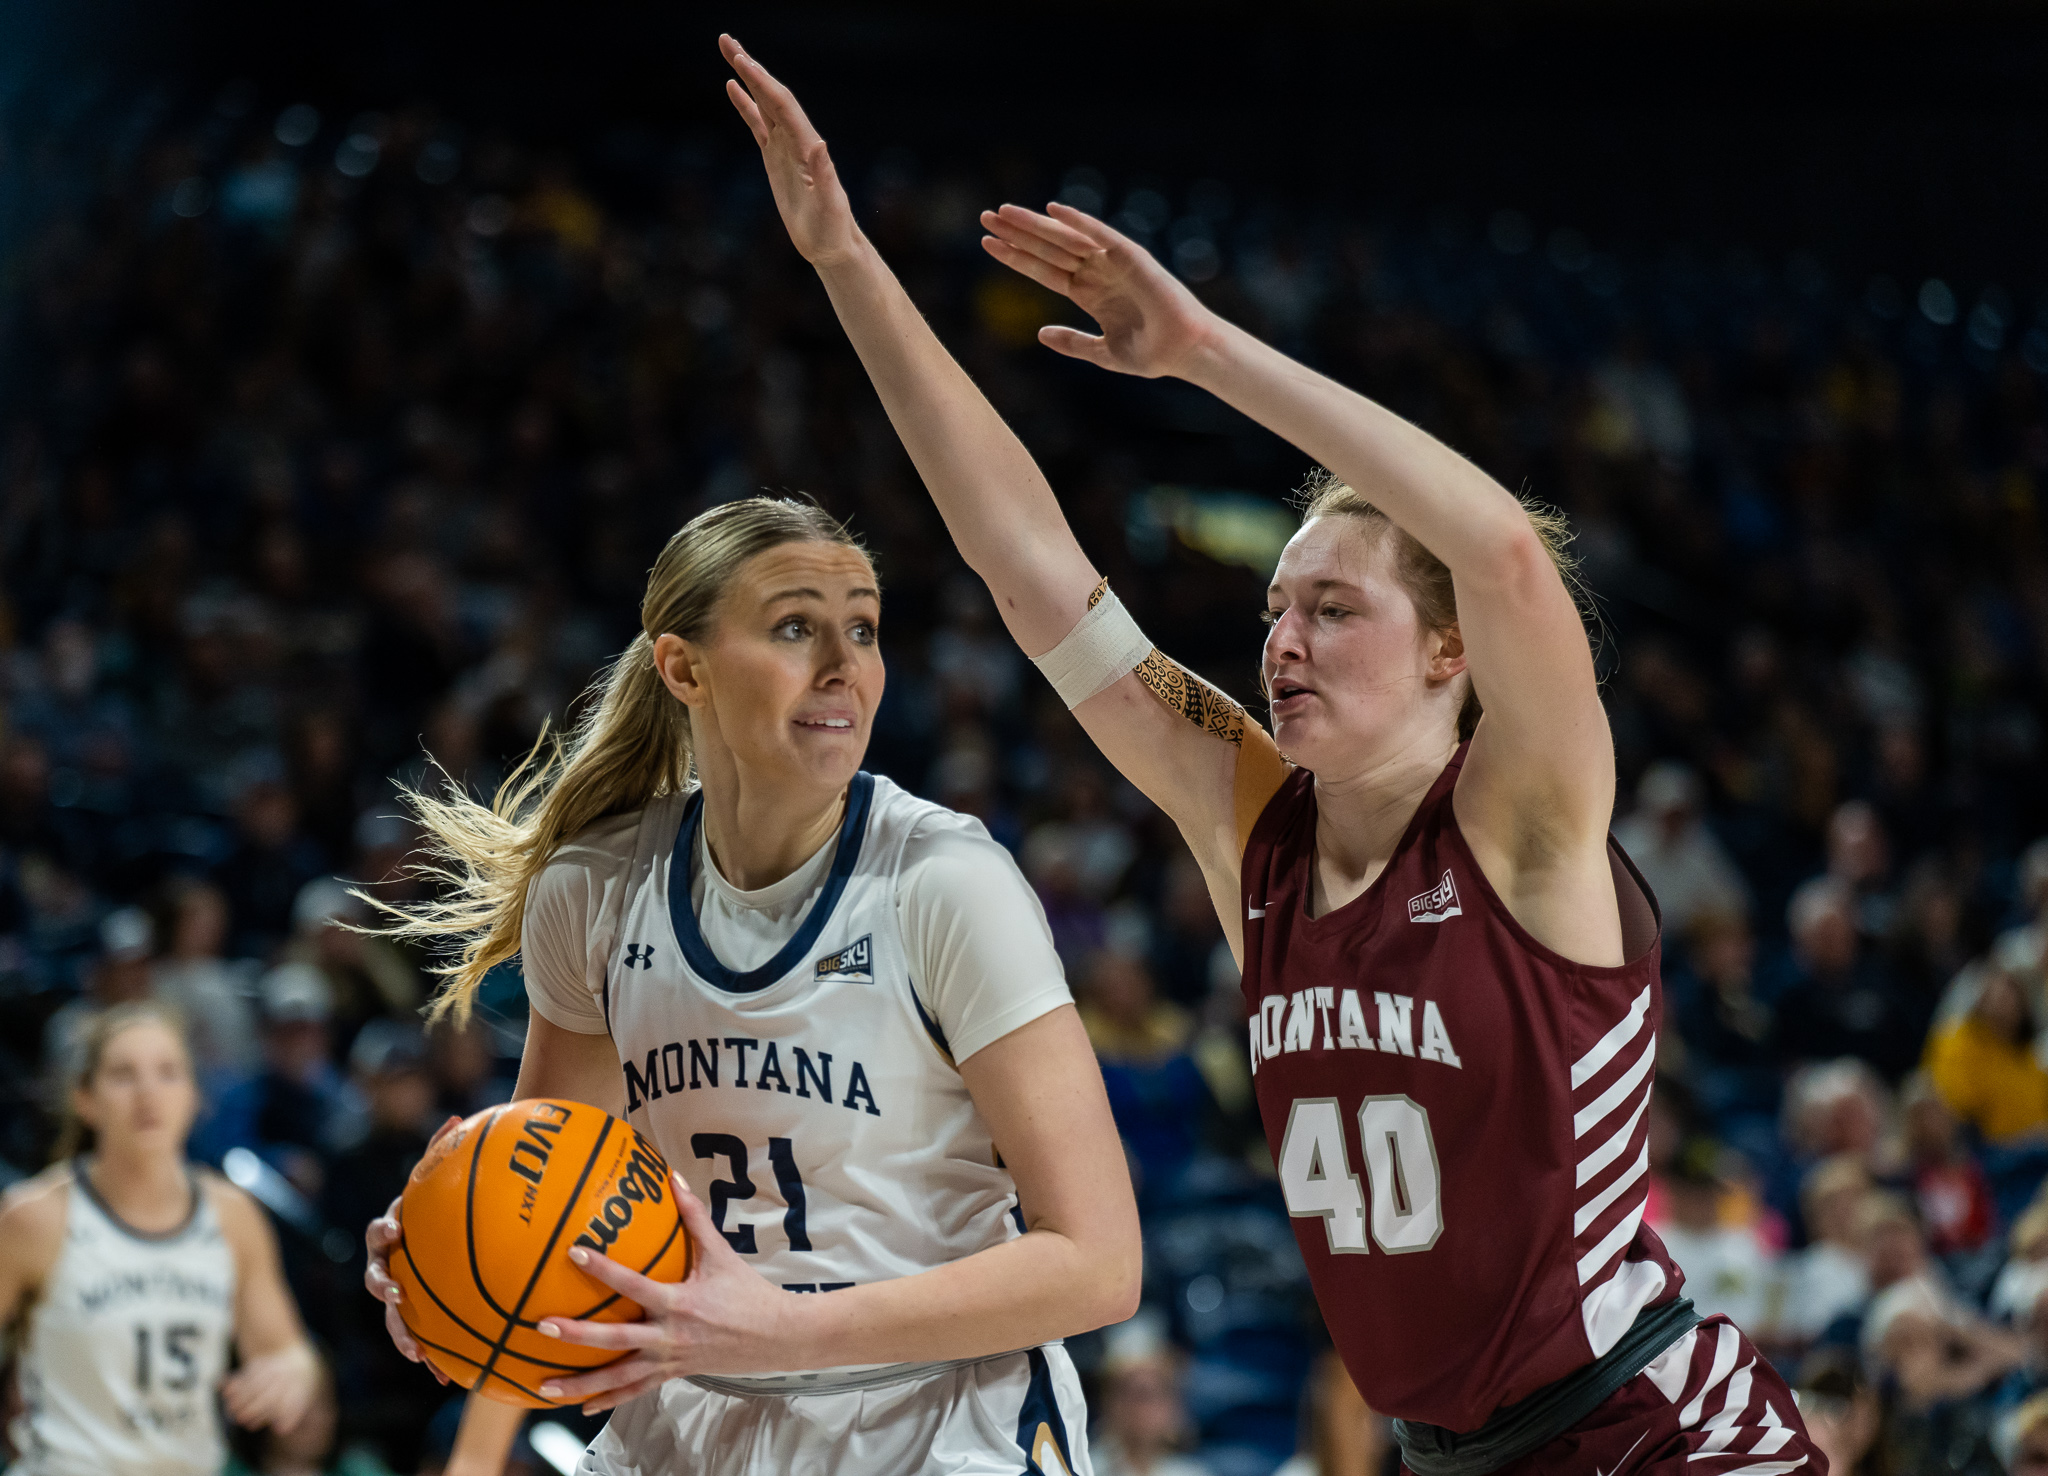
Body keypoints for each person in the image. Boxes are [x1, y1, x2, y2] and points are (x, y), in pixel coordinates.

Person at [725, 32, 1820, 1476]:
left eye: (1333, 610)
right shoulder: (1255, 830)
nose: (1282, 641)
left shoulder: (1524, 817)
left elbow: (1502, 551)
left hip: (1650, 1433)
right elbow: (1029, 570)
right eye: (1273, 611)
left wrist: (1201, 353)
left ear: (1450, 653)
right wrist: (847, 262)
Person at [358, 438, 1139, 1462]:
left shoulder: (945, 882)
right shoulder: (594, 890)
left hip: (938, 1419)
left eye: (863, 629)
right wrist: (457, 1277)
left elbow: (1097, 1264)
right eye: (794, 628)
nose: (844, 666)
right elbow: (548, 1213)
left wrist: (782, 1331)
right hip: (694, 1407)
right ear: (683, 667)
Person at [0, 1001, 320, 1476]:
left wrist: (290, 1372)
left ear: (194, 1096)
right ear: (85, 1099)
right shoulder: (36, 1218)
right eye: (123, 1075)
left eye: (168, 1073)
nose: (148, 1092)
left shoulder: (233, 1216)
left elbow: (287, 1349)